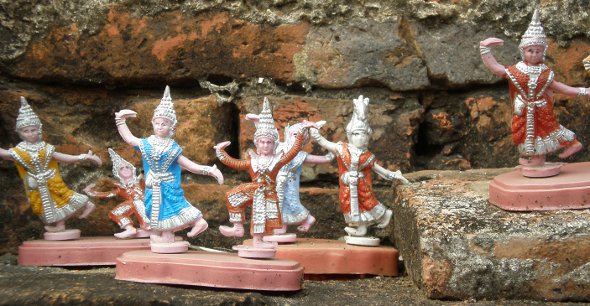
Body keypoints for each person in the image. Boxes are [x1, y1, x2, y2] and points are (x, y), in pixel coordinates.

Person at [114, 86, 223, 250]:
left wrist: (209, 170)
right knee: (152, 209)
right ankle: (169, 232)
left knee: (172, 209)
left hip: (168, 185)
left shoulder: (172, 148)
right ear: (152, 124)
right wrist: (120, 120)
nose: (159, 127)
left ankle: (183, 229)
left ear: (171, 127)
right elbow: (130, 139)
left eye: (164, 124)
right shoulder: (147, 143)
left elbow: (189, 165)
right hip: (152, 185)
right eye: (157, 123)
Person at [479, 10, 590, 167]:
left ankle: (542, 158)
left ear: (543, 53)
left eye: (538, 51)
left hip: (541, 108)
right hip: (523, 109)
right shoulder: (517, 70)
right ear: (523, 51)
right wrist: (485, 49)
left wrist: (584, 91)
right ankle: (547, 155)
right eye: (530, 50)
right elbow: (496, 68)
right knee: (528, 134)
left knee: (547, 131)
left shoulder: (545, 73)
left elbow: (561, 88)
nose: (533, 54)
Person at [214, 97, 312, 250]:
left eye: (269, 142)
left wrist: (299, 138)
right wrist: (220, 152)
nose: (265, 145)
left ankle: (259, 240)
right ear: (257, 143)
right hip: (254, 189)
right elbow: (235, 163)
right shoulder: (253, 160)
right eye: (262, 142)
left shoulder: (277, 160)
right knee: (232, 196)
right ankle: (238, 227)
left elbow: (292, 153)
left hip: (268, 192)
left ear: (274, 144)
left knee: (262, 216)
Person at [310, 95, 409, 243]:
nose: (360, 138)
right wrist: (315, 133)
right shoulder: (341, 149)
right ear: (350, 135)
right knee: (348, 205)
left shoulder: (367, 156)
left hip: (361, 186)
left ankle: (384, 215)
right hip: (348, 186)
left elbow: (379, 170)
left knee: (368, 203)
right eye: (356, 134)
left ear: (368, 137)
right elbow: (323, 142)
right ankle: (361, 229)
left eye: (364, 135)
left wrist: (395, 176)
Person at [0, 97, 100, 238]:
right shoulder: (18, 151)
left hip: (51, 180)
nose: (30, 133)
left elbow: (64, 157)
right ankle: (60, 225)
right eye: (25, 131)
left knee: (65, 197)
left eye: (33, 130)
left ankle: (86, 204)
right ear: (19, 132)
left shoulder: (46, 148)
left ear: (39, 129)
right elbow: (4, 154)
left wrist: (83, 157)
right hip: (35, 184)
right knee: (43, 208)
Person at [274, 122, 334, 234]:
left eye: (300, 136)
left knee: (291, 203)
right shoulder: (280, 147)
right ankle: (281, 225)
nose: (296, 138)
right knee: (279, 203)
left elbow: (324, 159)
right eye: (294, 134)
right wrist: (257, 122)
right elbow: (268, 138)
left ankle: (308, 219)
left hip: (290, 183)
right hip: (278, 182)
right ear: (288, 134)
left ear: (304, 140)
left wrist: (333, 151)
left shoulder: (300, 155)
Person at [84, 148, 150, 239]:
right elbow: (108, 194)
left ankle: (148, 225)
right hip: (131, 203)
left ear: (132, 169)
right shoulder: (120, 187)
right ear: (118, 173)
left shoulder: (140, 179)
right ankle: (130, 229)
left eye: (127, 167)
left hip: (145, 202)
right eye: (122, 169)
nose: (125, 170)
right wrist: (90, 192)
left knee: (137, 202)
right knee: (115, 212)